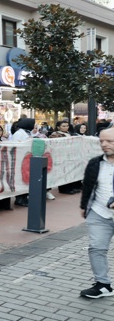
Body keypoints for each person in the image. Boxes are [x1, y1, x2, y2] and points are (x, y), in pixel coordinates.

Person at [79, 128, 114, 298]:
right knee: (96, 248)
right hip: (99, 213)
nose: (104, 145)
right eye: (101, 141)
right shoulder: (95, 163)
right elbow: (87, 186)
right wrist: (84, 206)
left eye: (110, 141)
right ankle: (103, 285)